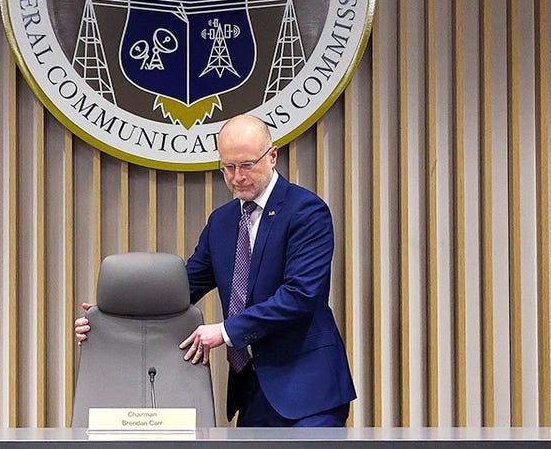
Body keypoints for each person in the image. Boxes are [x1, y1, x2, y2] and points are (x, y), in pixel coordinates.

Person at [74, 114, 356, 427]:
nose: (238, 177)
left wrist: (223, 331)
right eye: (228, 167)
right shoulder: (221, 222)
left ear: (272, 156)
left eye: (247, 165)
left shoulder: (306, 211)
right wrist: (104, 317)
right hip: (252, 390)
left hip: (308, 391)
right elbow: (179, 289)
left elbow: (299, 296)